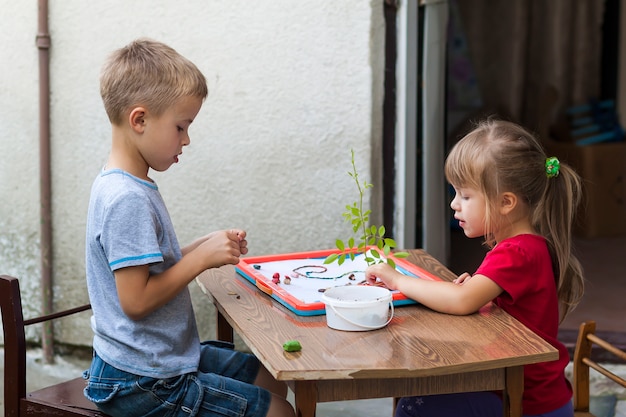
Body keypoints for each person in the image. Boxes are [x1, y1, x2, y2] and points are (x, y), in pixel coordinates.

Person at [83, 38, 295, 417]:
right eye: (181, 127)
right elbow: (135, 302)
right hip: (140, 381)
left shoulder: (123, 183)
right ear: (140, 120)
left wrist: (202, 248)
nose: (187, 139)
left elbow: (144, 268)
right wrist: (199, 263)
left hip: (154, 362)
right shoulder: (127, 198)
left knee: (270, 376)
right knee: (280, 412)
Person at [366, 119, 584, 417]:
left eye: (465, 196)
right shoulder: (522, 245)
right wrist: (484, 292)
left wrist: (396, 279)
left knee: (414, 407)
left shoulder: (517, 252)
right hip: (516, 388)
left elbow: (461, 301)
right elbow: (487, 302)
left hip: (524, 401)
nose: (455, 204)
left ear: (506, 202)